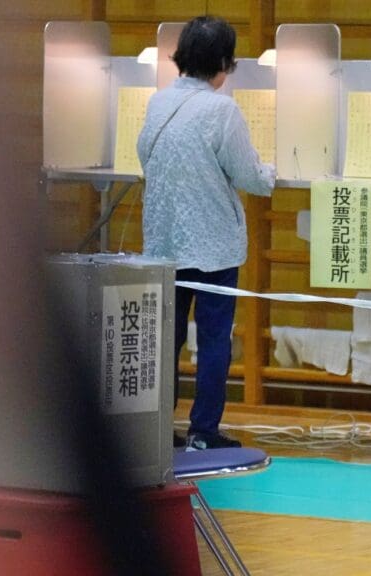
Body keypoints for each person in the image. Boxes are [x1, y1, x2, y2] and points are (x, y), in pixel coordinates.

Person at [137, 16, 275, 450]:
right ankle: (204, 430)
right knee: (214, 340)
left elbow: (145, 155)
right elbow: (250, 176)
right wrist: (270, 172)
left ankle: (161, 428)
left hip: (163, 244)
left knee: (166, 342)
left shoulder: (158, 103)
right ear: (222, 62)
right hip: (213, 246)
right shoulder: (221, 110)